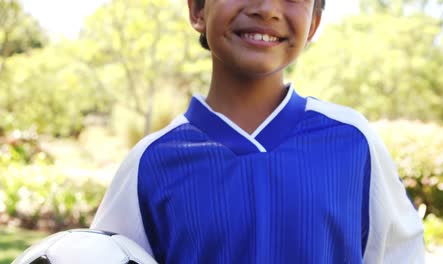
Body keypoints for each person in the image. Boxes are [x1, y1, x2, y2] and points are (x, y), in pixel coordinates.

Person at [91, 0, 425, 263]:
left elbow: (401, 254)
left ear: (314, 24)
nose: (266, 8)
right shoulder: (149, 164)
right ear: (197, 9)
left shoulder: (354, 142)